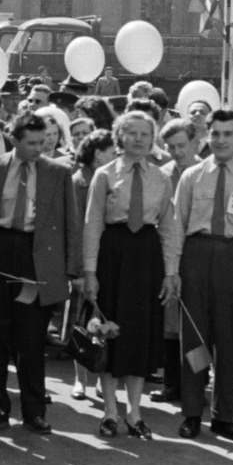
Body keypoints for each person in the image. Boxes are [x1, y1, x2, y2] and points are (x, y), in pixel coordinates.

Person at [0, 110, 81, 432]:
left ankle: (34, 411)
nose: (39, 148)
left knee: (31, 338)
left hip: (36, 257)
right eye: (31, 143)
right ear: (14, 140)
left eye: (43, 142)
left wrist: (72, 271)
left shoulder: (58, 173)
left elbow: (70, 223)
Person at [81, 111, 182, 439]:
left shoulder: (160, 178)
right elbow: (93, 223)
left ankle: (135, 412)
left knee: (139, 336)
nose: (138, 139)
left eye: (145, 133)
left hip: (146, 258)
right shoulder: (105, 175)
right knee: (110, 334)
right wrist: (90, 271)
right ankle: (110, 411)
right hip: (113, 255)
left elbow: (168, 225)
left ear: (153, 139)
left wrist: (170, 272)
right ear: (119, 137)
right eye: (132, 133)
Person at [173, 109, 233, 441]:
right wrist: (174, 271)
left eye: (228, 134)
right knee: (195, 338)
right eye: (215, 134)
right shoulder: (191, 176)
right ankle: (192, 412)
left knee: (228, 342)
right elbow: (176, 227)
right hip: (196, 258)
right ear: (206, 136)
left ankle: (223, 416)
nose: (221, 140)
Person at [152, 118, 202, 405]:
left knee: (196, 325)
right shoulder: (162, 175)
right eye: (170, 147)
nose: (177, 152)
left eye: (182, 145)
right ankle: (172, 384)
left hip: (197, 256)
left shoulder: (205, 172)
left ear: (195, 143)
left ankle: (197, 384)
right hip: (168, 257)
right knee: (170, 326)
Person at [69, 128, 116, 400]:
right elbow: (75, 228)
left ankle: (101, 376)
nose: (115, 156)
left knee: (104, 321)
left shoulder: (109, 178)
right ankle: (80, 380)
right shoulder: (79, 182)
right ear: (98, 153)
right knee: (82, 323)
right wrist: (77, 270)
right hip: (85, 265)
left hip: (105, 260)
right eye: (111, 151)